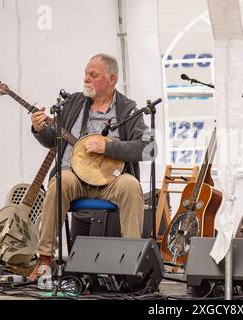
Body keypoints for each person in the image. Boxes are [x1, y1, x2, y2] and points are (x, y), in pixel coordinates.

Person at [28, 53, 153, 281]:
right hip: (73, 176)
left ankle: (131, 260)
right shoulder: (74, 103)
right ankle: (45, 259)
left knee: (131, 186)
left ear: (112, 78)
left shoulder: (128, 110)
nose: (86, 79)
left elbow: (148, 148)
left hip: (111, 181)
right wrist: (38, 129)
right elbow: (53, 139)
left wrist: (108, 147)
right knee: (60, 183)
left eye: (93, 75)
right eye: (86, 74)